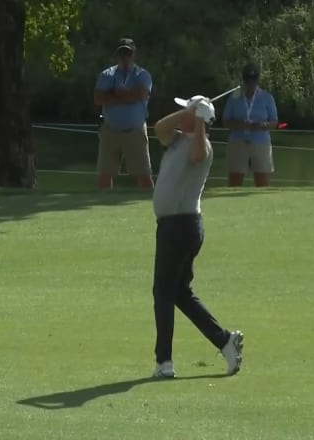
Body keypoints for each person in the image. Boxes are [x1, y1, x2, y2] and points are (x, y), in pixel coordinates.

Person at [150, 96, 244, 378]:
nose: (183, 112)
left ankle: (164, 362)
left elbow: (198, 155)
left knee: (162, 293)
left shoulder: (203, 146)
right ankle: (225, 340)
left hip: (182, 226)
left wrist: (200, 119)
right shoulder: (176, 137)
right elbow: (158, 128)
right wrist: (188, 112)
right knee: (179, 293)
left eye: (188, 109)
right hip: (174, 226)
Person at [93, 38, 154, 190]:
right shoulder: (107, 74)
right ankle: (103, 207)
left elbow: (140, 95)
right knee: (104, 174)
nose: (125, 58)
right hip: (110, 130)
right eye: (121, 54)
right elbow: (99, 98)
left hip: (135, 130)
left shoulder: (143, 75)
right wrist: (127, 96)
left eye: (128, 54)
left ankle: (147, 205)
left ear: (134, 55)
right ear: (116, 55)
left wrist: (113, 95)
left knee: (143, 174)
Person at [221, 63, 279, 187]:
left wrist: (262, 125)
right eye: (248, 79)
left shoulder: (267, 98)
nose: (251, 83)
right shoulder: (234, 97)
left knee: (262, 182)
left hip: (261, 142)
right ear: (244, 79)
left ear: (258, 79)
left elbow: (274, 122)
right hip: (238, 142)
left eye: (253, 80)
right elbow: (225, 121)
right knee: (234, 182)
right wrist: (240, 125)